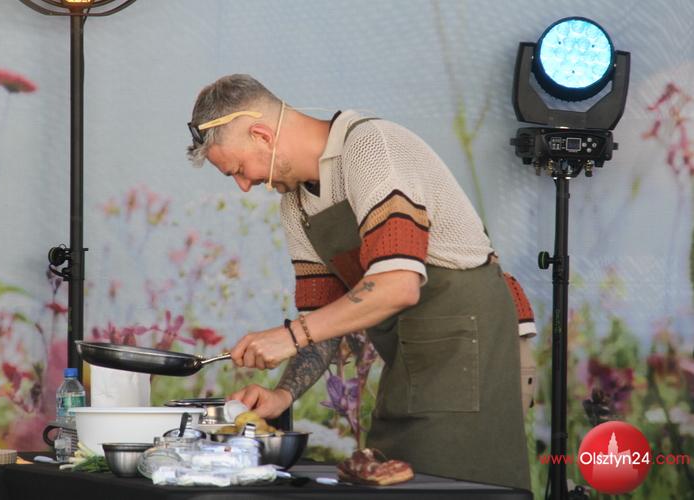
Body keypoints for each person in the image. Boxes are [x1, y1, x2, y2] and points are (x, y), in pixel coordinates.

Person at [186, 74, 531, 489]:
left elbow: (398, 284)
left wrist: (290, 335)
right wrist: (282, 396)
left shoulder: (370, 148)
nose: (244, 186)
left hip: (469, 349)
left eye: (239, 170)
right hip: (409, 362)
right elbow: (321, 323)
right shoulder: (296, 206)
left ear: (262, 135)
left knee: (455, 487)